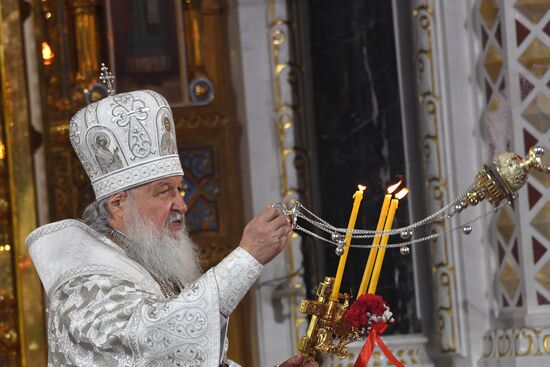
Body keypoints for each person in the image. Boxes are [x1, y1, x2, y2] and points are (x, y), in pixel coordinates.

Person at [26, 85, 318, 366]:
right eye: (164, 191)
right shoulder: (83, 283)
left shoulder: (149, 263)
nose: (181, 205)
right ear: (118, 203)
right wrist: (246, 258)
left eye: (180, 190)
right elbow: (153, 340)